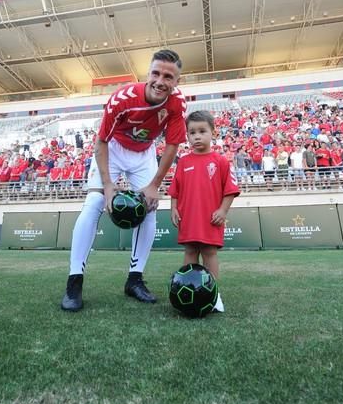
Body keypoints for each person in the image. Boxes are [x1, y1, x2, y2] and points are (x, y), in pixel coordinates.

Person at [61, 49, 187, 311]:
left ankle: (135, 279)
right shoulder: (122, 98)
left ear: (177, 81)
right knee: (94, 202)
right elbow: (101, 142)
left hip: (145, 152)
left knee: (150, 208)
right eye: (156, 73)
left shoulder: (177, 102)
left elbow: (173, 146)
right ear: (147, 73)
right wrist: (108, 186)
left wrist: (153, 185)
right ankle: (74, 281)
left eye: (168, 76)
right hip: (114, 149)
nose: (160, 81)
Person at [168, 110, 239, 313]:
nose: (197, 136)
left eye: (202, 131)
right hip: (188, 218)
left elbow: (230, 190)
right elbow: (175, 190)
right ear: (187, 136)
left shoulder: (221, 161)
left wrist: (223, 210)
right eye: (192, 132)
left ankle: (213, 294)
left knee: (209, 253)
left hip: (210, 219)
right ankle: (187, 288)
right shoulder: (183, 162)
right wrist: (173, 208)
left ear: (213, 133)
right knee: (190, 251)